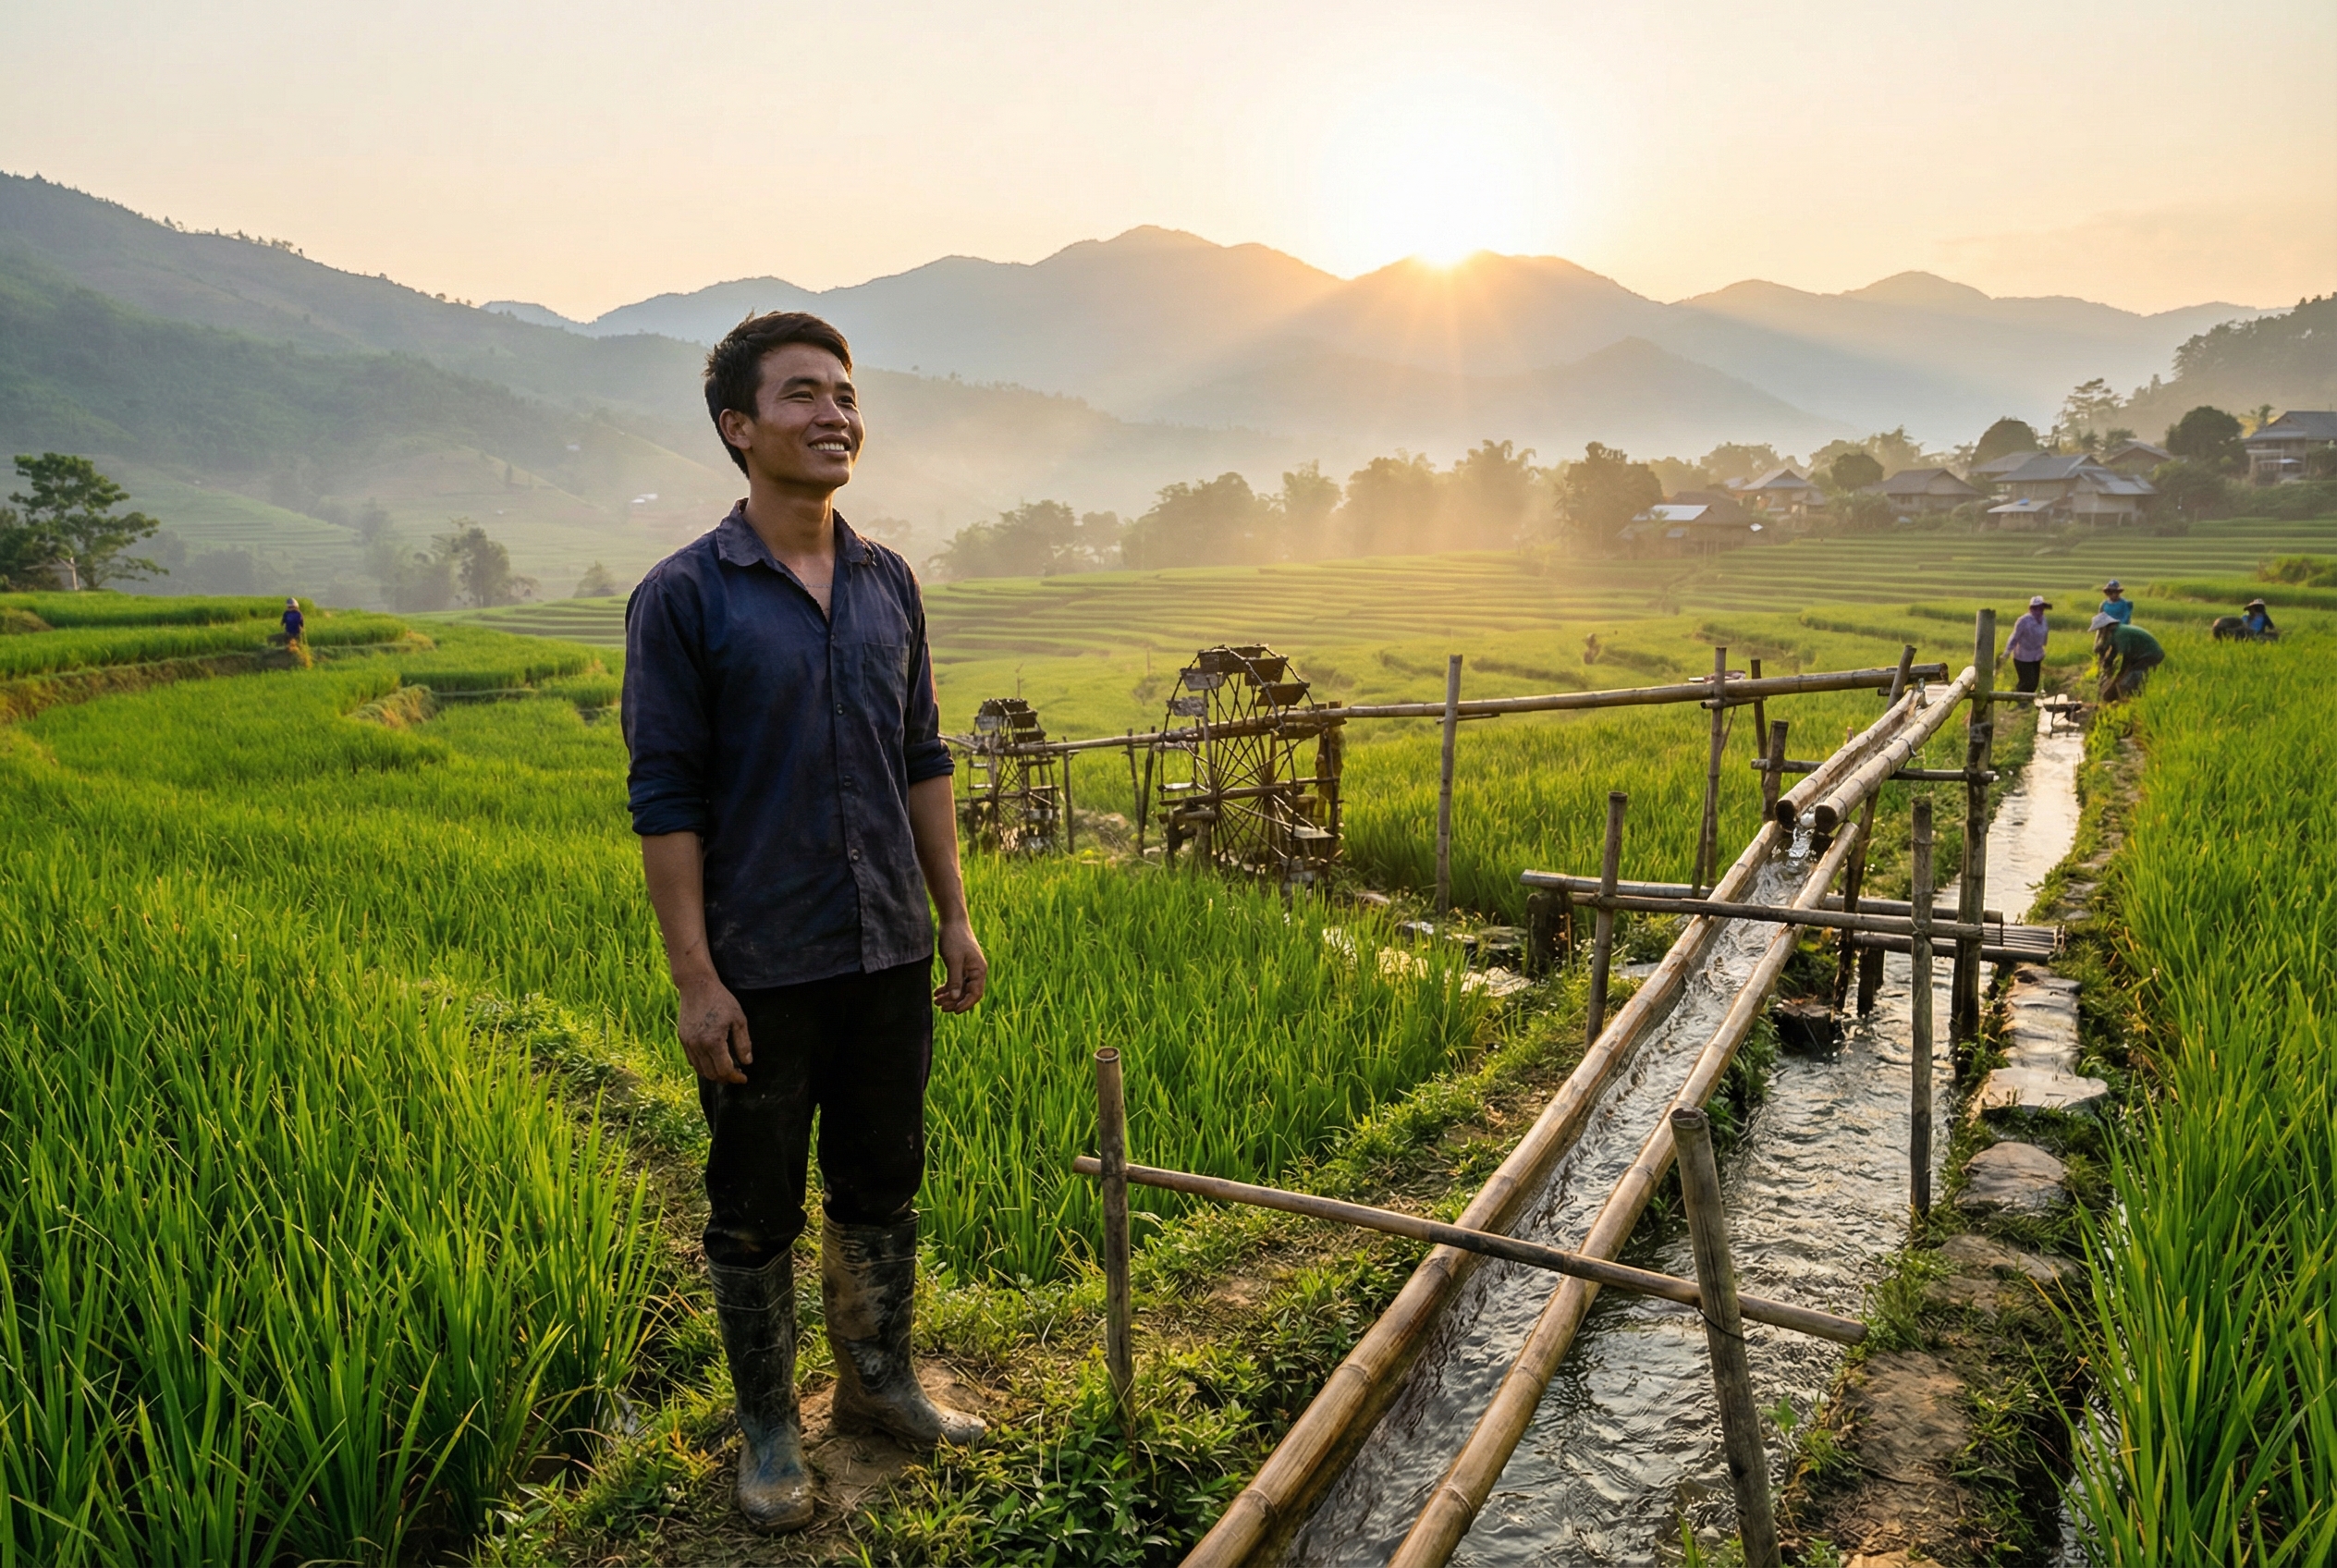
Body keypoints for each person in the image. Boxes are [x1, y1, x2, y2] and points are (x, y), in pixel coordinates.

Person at [621, 312, 988, 1534]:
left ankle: (880, 1386)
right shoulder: (684, 598)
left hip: (886, 946)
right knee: (754, 1204)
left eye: (844, 393)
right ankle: (772, 1427)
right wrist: (695, 981)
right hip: (762, 967)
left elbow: (921, 757)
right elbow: (665, 799)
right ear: (739, 428)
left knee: (883, 1180)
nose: (835, 413)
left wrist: (954, 917)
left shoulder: (890, 585)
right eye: (801, 395)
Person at [2092, 611, 2163, 701]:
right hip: (2140, 655)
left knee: (2131, 678)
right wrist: (2108, 662)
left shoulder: (2120, 633)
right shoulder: (2116, 633)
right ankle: (2130, 698)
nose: (2100, 632)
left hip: (2150, 654)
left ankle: (2134, 699)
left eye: (2101, 629)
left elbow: (2127, 656)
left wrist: (2121, 673)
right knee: (2128, 676)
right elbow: (2114, 651)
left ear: (2106, 627)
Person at [2003, 594, 2051, 693]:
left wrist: (2043, 649)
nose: (2039, 610)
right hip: (2023, 657)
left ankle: (2026, 702)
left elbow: (2045, 634)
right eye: (2036, 608)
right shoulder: (2023, 621)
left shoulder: (2043, 620)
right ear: (2031, 609)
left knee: (2034, 683)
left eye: (2041, 608)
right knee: (2026, 682)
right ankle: (2019, 701)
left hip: (2036, 655)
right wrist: (2007, 652)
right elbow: (2014, 637)